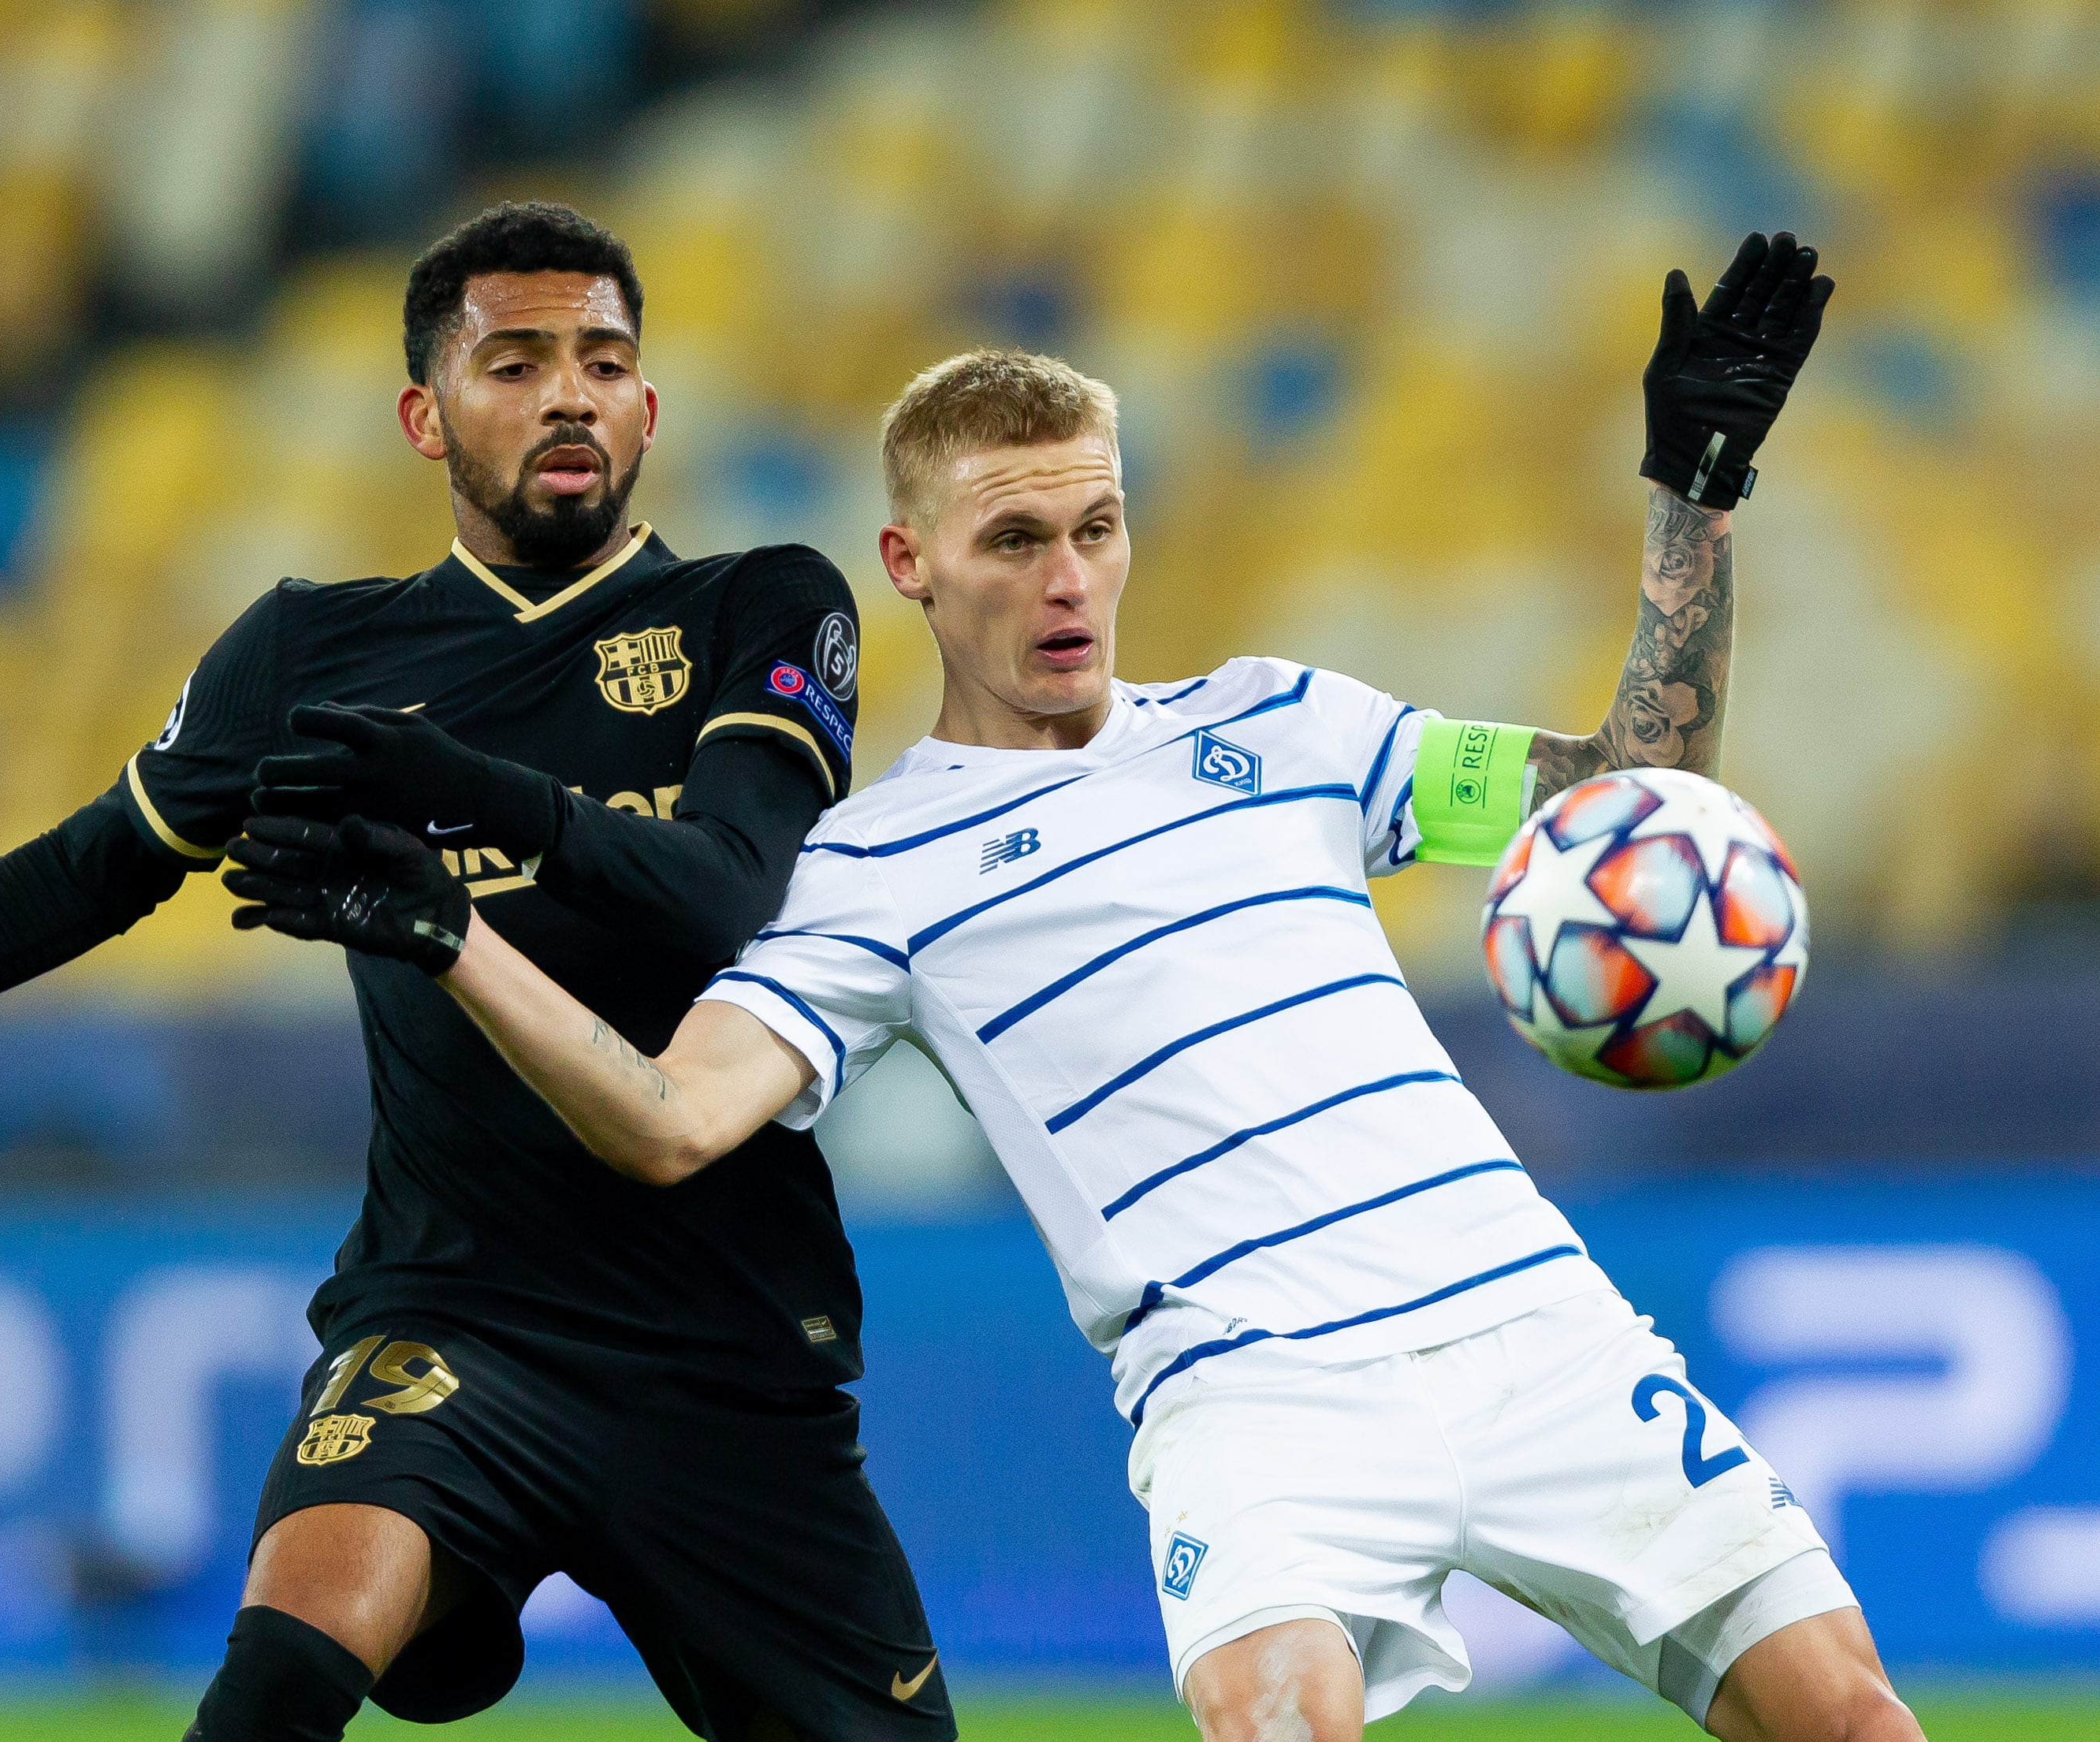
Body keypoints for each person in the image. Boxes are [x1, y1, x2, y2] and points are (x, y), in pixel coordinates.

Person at [225, 234, 1925, 1742]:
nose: (1065, 581)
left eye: (1094, 527)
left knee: (1848, 1715)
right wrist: (451, 936)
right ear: (906, 563)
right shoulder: (870, 868)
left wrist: (1689, 497)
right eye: (1013, 537)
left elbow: (1625, 788)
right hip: (1251, 1390)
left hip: (1525, 1318)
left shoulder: (1288, 722)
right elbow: (670, 1122)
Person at [0, 202, 952, 1742]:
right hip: (454, 1318)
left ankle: (493, 1612)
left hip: (725, 1342)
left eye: (602, 360)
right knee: (288, 1656)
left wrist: (467, 796)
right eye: (514, 362)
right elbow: (97, 864)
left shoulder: (758, 607)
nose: (568, 393)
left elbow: (720, 893)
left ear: (646, 405)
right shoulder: (312, 652)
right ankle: (430, 1587)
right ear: (424, 417)